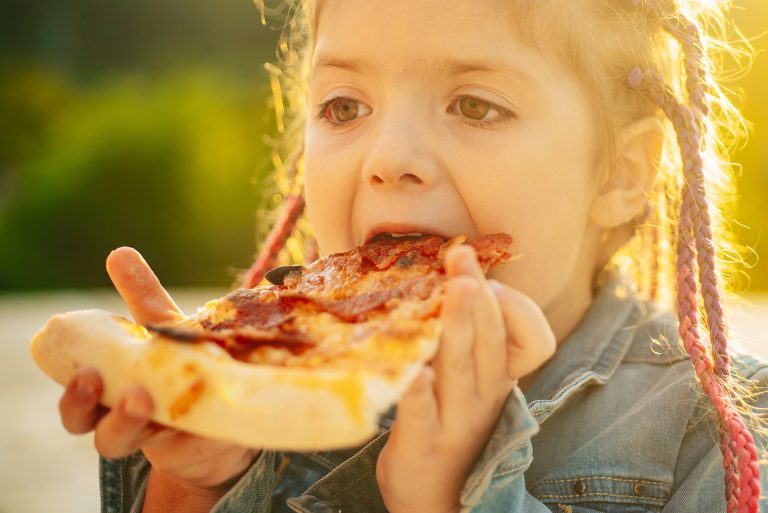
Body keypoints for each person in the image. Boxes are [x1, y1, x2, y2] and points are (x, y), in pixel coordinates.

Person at [56, 0, 768, 512]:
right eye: (343, 106)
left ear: (619, 171)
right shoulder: (259, 396)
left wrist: (446, 495)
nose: (390, 158)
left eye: (476, 105)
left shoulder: (719, 434)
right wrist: (194, 487)